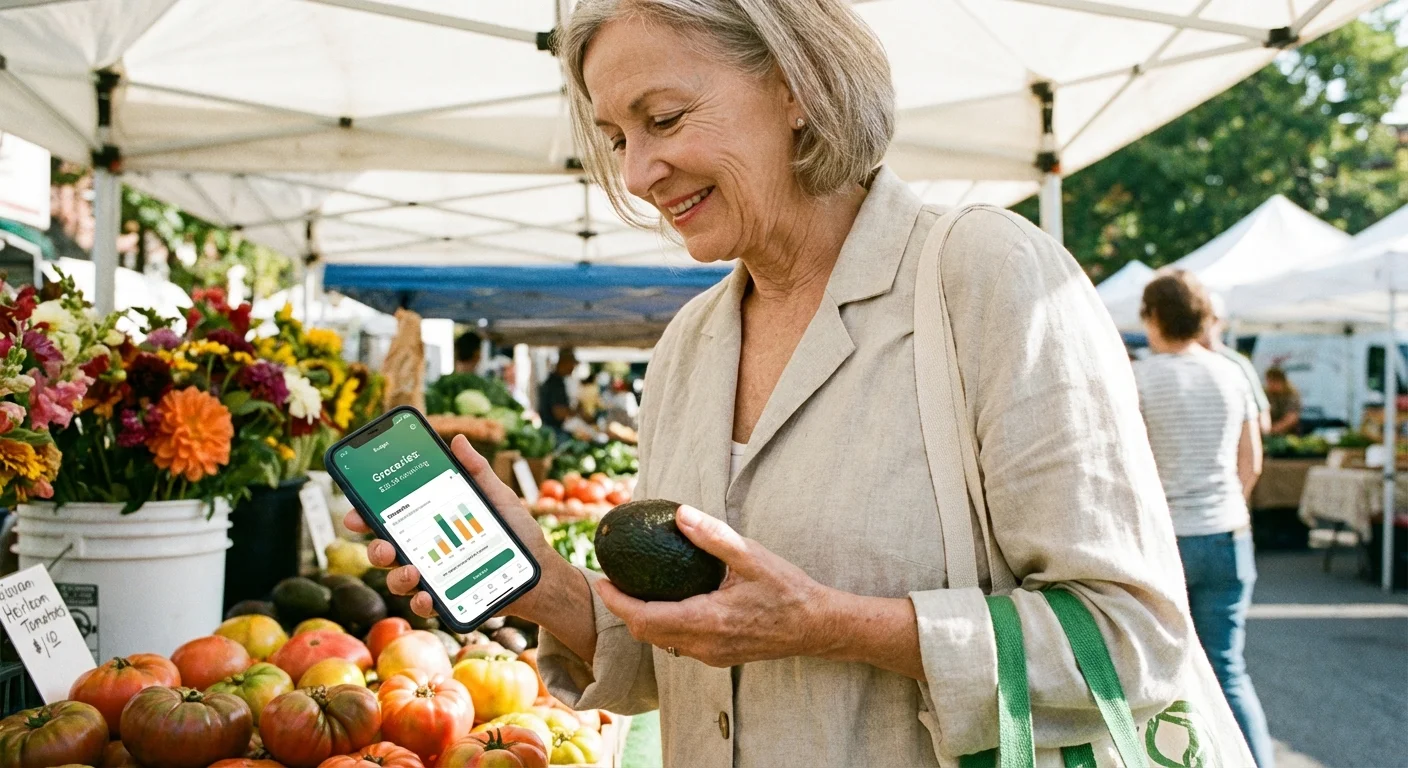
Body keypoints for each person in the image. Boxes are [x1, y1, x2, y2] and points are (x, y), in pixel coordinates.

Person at [347, 2, 1203, 764]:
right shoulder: (690, 343)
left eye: (665, 118)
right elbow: (694, 653)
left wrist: (836, 623)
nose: (640, 174)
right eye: (617, 138)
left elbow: (1133, 639)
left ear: (798, 84)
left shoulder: (984, 277)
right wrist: (549, 589)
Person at [1135, 270, 1273, 767]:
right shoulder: (1231, 373)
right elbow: (1251, 462)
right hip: (1227, 535)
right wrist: (1228, 507)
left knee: (1161, 675)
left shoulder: (1138, 377)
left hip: (1163, 544)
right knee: (1229, 672)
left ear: (1152, 318)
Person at [1202, 293, 1271, 434]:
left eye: (1212, 319)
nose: (1207, 324)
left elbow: (1263, 422)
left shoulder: (1237, 363)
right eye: (1201, 317)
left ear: (1222, 322)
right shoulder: (1175, 363)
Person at [538, 347, 577, 433]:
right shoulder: (555, 383)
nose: (573, 367)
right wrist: (575, 412)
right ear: (564, 362)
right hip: (554, 431)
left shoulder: (554, 381)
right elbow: (559, 413)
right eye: (573, 363)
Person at [1264, 367, 1301, 436]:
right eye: (1269, 381)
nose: (1270, 384)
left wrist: (1272, 430)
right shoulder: (1266, 394)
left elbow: (1291, 417)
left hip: (1289, 435)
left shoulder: (1291, 394)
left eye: (1273, 381)